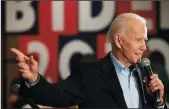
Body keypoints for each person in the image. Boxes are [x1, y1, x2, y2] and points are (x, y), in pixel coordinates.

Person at [10, 13, 168, 108]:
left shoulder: (145, 74)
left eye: (144, 40)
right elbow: (55, 95)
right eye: (138, 40)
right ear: (119, 41)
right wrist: (34, 79)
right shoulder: (90, 74)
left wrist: (159, 102)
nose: (143, 47)